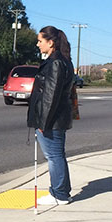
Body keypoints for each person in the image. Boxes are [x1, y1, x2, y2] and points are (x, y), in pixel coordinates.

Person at [27, 26, 76, 205]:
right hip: (56, 118)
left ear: (51, 42)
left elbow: (51, 95)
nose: (37, 44)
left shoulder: (56, 62)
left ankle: (60, 194)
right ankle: (61, 191)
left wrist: (43, 122)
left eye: (40, 41)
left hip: (52, 120)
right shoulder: (63, 61)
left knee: (54, 156)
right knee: (56, 155)